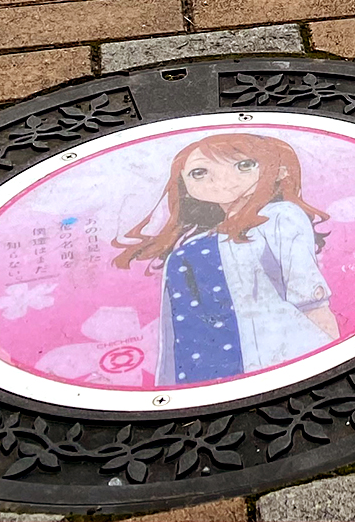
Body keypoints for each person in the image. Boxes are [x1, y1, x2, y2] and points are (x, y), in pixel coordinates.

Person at [113, 132, 339, 386]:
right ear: (183, 183)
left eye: (244, 165)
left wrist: (334, 363)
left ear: (278, 170)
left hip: (277, 357)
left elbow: (310, 299)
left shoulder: (280, 216)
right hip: (204, 368)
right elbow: (174, 335)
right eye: (199, 172)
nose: (222, 179)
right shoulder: (195, 245)